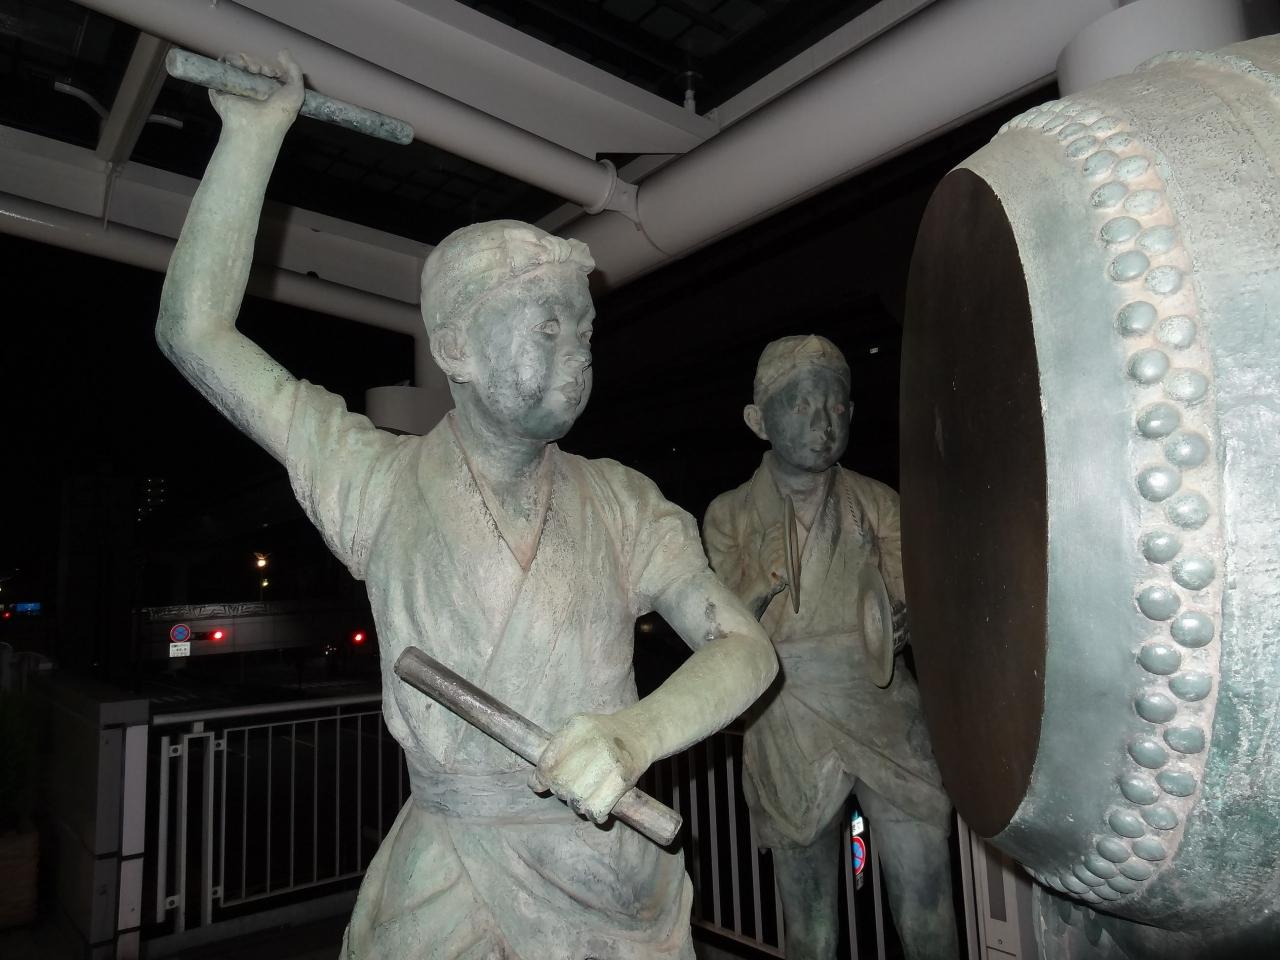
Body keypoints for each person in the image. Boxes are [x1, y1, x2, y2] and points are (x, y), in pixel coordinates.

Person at [156, 52, 777, 959]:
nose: (578, 351)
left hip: (603, 873)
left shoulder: (621, 502)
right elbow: (195, 331)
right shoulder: (377, 482)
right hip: (443, 868)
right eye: (548, 326)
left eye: (585, 329)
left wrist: (634, 736)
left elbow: (746, 649)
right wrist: (250, 140)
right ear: (455, 349)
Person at [702, 335, 957, 959]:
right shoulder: (730, 515)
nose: (824, 423)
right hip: (787, 716)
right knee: (810, 931)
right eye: (802, 405)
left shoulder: (878, 504)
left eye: (836, 406)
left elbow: (916, 599)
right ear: (758, 421)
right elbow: (714, 632)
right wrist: (761, 578)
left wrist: (906, 622)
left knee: (927, 911)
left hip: (883, 709)